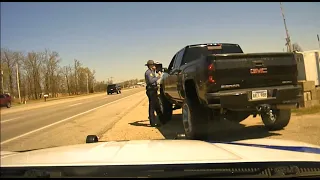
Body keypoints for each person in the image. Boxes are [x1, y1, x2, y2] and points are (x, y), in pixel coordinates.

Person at [145, 60, 164, 127]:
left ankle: (162, 120)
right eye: (153, 65)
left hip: (154, 90)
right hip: (151, 91)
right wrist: (158, 76)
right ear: (150, 66)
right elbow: (151, 81)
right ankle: (153, 123)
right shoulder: (148, 73)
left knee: (157, 106)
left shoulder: (152, 72)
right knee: (152, 107)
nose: (155, 66)